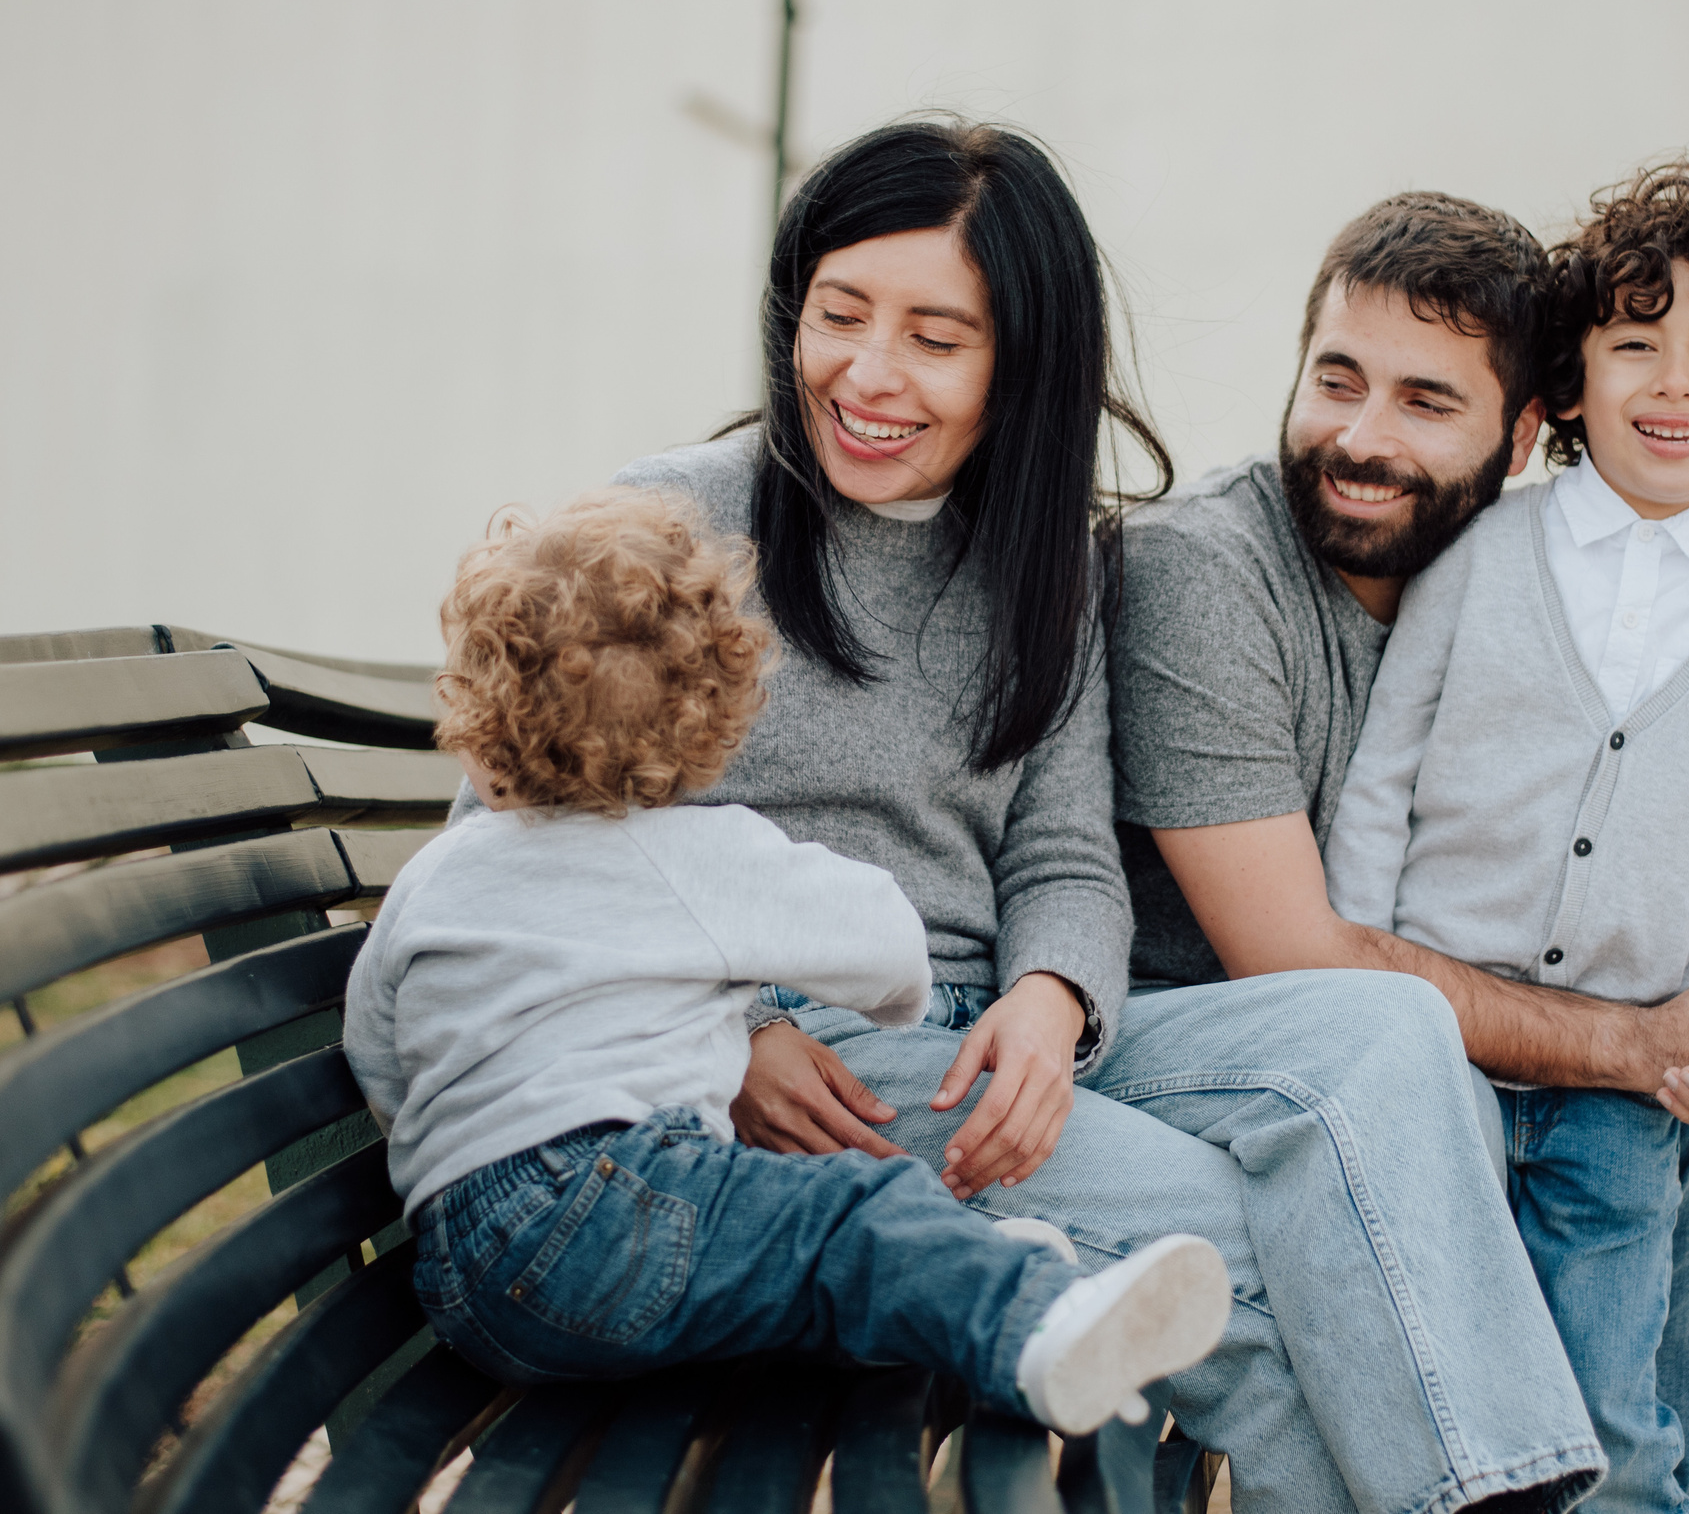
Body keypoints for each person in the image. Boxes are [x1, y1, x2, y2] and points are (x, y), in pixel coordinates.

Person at [505, 120, 1608, 1513]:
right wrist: (732, 1032)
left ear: (1019, 360)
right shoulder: (674, 520)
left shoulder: (1043, 562)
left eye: (935, 337)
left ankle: (1496, 1485)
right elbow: (530, 827)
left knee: (1390, 1028)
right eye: (839, 316)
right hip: (824, 1059)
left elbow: (1066, 852)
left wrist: (1052, 997)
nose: (869, 372)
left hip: (1008, 1031)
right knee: (1255, 1251)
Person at [1111, 187, 1689, 1514]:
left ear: (1523, 434)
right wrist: (1649, 1041)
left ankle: (1658, 1491)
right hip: (1209, 1035)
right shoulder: (1216, 575)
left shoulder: (1529, 566)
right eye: (1336, 380)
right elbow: (1314, 955)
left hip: (1437, 1029)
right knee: (1503, 1072)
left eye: (1425, 401)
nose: (1360, 436)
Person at [344, 487, 1232, 1434]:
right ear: (710, 723)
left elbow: (380, 1054)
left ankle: (975, 1278)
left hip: (465, 1272)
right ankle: (1038, 1326)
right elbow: (888, 945)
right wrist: (902, 1009)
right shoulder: (702, 855)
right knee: (855, 1206)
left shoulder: (437, 876)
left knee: (798, 1257)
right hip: (615, 1208)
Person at [1320, 161, 1689, 1511]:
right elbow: (1384, 774)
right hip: (1435, 1053)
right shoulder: (1485, 552)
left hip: (1634, 1076)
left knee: (1611, 1401)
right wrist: (1353, 977)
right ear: (1568, 384)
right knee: (1441, 1366)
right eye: (1634, 342)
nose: (1672, 381)